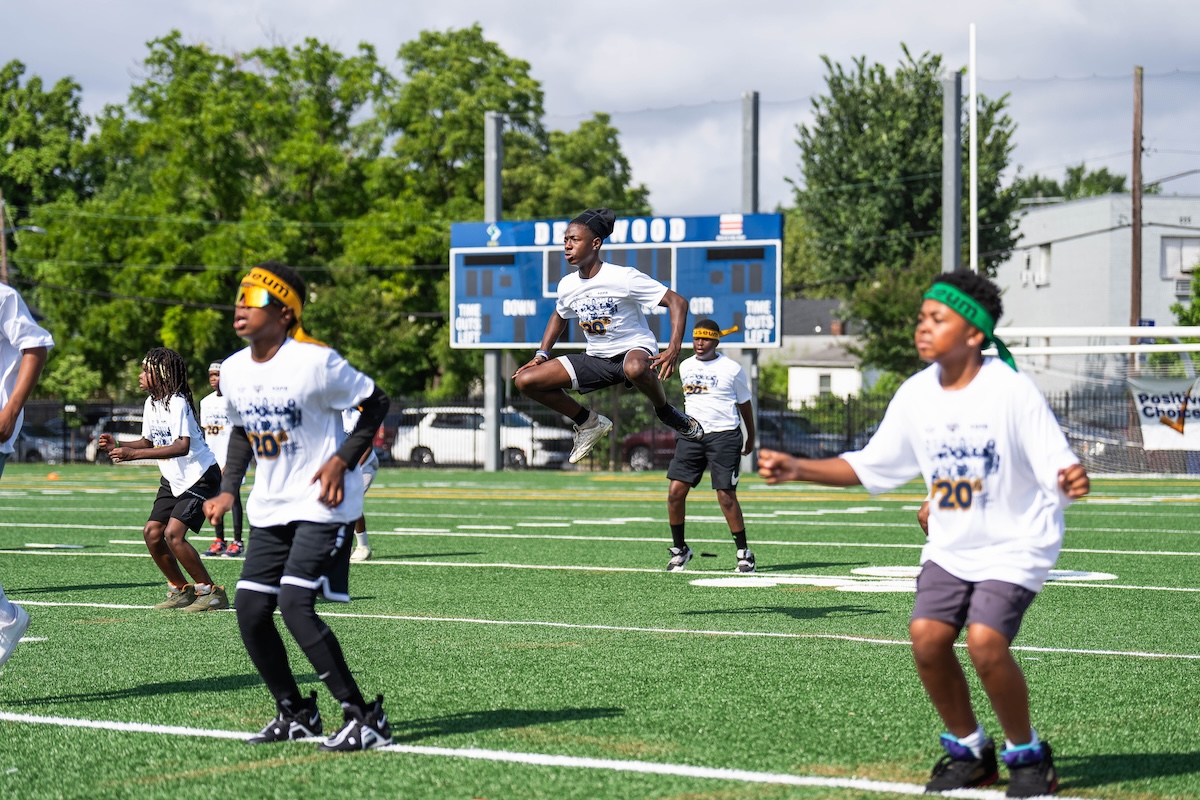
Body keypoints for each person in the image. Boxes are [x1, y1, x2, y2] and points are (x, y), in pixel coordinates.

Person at [757, 271, 1089, 798]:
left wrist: (1069, 480)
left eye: (938, 319)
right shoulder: (916, 394)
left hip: (1017, 542)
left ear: (974, 334)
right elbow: (874, 466)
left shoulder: (1010, 390)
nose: (923, 328)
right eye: (921, 318)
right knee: (928, 639)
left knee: (984, 642)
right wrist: (800, 467)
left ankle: (1027, 754)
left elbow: (1058, 466)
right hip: (952, 544)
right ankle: (970, 749)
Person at [202, 260, 392, 751]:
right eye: (240, 296)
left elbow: (376, 402)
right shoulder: (237, 369)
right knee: (249, 607)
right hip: (270, 506)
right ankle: (296, 712)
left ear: (286, 313)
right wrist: (227, 488)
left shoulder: (315, 361)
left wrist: (342, 460)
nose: (241, 306)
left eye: (255, 299)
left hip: (323, 503)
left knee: (294, 605)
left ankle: (363, 716)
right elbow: (243, 430)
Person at [513, 208, 702, 464]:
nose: (567, 246)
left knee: (635, 368)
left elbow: (677, 302)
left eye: (574, 240)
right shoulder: (568, 285)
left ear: (595, 243)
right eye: (565, 240)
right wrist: (541, 354)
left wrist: (673, 348)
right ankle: (588, 422)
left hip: (633, 350)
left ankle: (666, 411)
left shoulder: (623, 277)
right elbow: (559, 315)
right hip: (597, 358)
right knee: (525, 380)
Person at [100, 347, 229, 612]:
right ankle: (182, 589)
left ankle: (211, 591)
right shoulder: (151, 403)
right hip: (173, 478)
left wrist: (134, 454)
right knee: (152, 533)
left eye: (146, 371)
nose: (140, 375)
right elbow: (149, 440)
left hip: (200, 476)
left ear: (160, 374)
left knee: (174, 534)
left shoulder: (178, 401)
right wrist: (120, 443)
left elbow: (182, 446)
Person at [663, 319, 756, 573]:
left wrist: (751, 436)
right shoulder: (685, 366)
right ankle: (680, 549)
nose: (699, 343)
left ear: (716, 340)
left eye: (705, 339)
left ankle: (744, 553)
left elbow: (745, 404)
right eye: (696, 338)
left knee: (725, 495)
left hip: (724, 436)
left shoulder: (732, 368)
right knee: (675, 493)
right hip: (692, 435)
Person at [0, 282, 53, 668]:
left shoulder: (2, 296)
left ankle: (6, 618)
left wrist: (12, 409)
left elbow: (34, 346)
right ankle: (6, 617)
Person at [200, 360, 244, 557]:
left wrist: (230, 462)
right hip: (212, 460)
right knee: (214, 497)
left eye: (217, 375)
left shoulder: (234, 400)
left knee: (233, 498)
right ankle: (219, 540)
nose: (214, 379)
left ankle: (237, 541)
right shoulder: (205, 402)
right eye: (211, 376)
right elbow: (206, 434)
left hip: (231, 461)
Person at [342, 405, 378, 562]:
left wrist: (353, 466)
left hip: (365, 465)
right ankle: (345, 547)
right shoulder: (329, 416)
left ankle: (363, 546)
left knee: (351, 499)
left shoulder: (356, 416)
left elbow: (367, 446)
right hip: (343, 466)